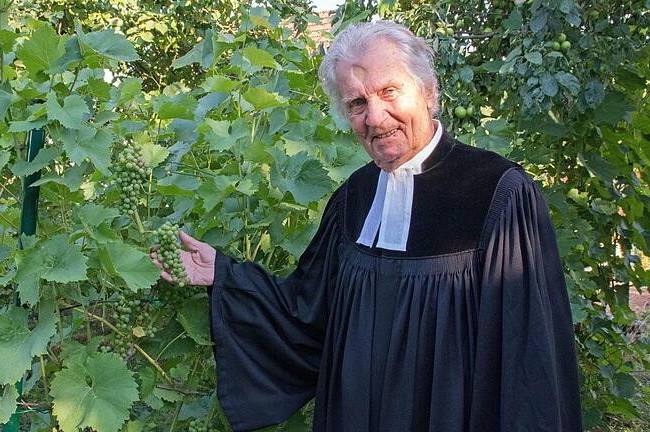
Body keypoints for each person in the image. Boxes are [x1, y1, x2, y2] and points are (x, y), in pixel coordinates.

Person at [154, 20, 582, 432]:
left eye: (389, 91)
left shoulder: (496, 194)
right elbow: (306, 317)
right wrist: (225, 275)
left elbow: (531, 363)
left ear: (429, 92)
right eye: (356, 104)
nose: (375, 118)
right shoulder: (354, 198)